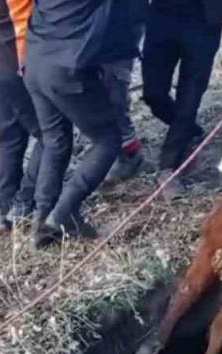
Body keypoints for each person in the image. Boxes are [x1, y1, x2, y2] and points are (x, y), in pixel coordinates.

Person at [23, 0, 140, 247]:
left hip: (35, 59)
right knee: (108, 140)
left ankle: (42, 220)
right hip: (65, 67)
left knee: (55, 139)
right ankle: (65, 212)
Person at [140, 0, 222, 191]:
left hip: (204, 18)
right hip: (163, 14)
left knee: (190, 97)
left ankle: (168, 167)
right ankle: (189, 131)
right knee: (154, 93)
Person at [0, 0, 46, 231]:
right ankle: (24, 202)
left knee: (9, 133)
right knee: (50, 134)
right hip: (12, 60)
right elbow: (25, 21)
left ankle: (5, 207)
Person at [101, 0, 149, 186]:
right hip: (94, 23)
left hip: (120, 25)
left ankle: (129, 152)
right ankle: (116, 147)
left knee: (113, 91)